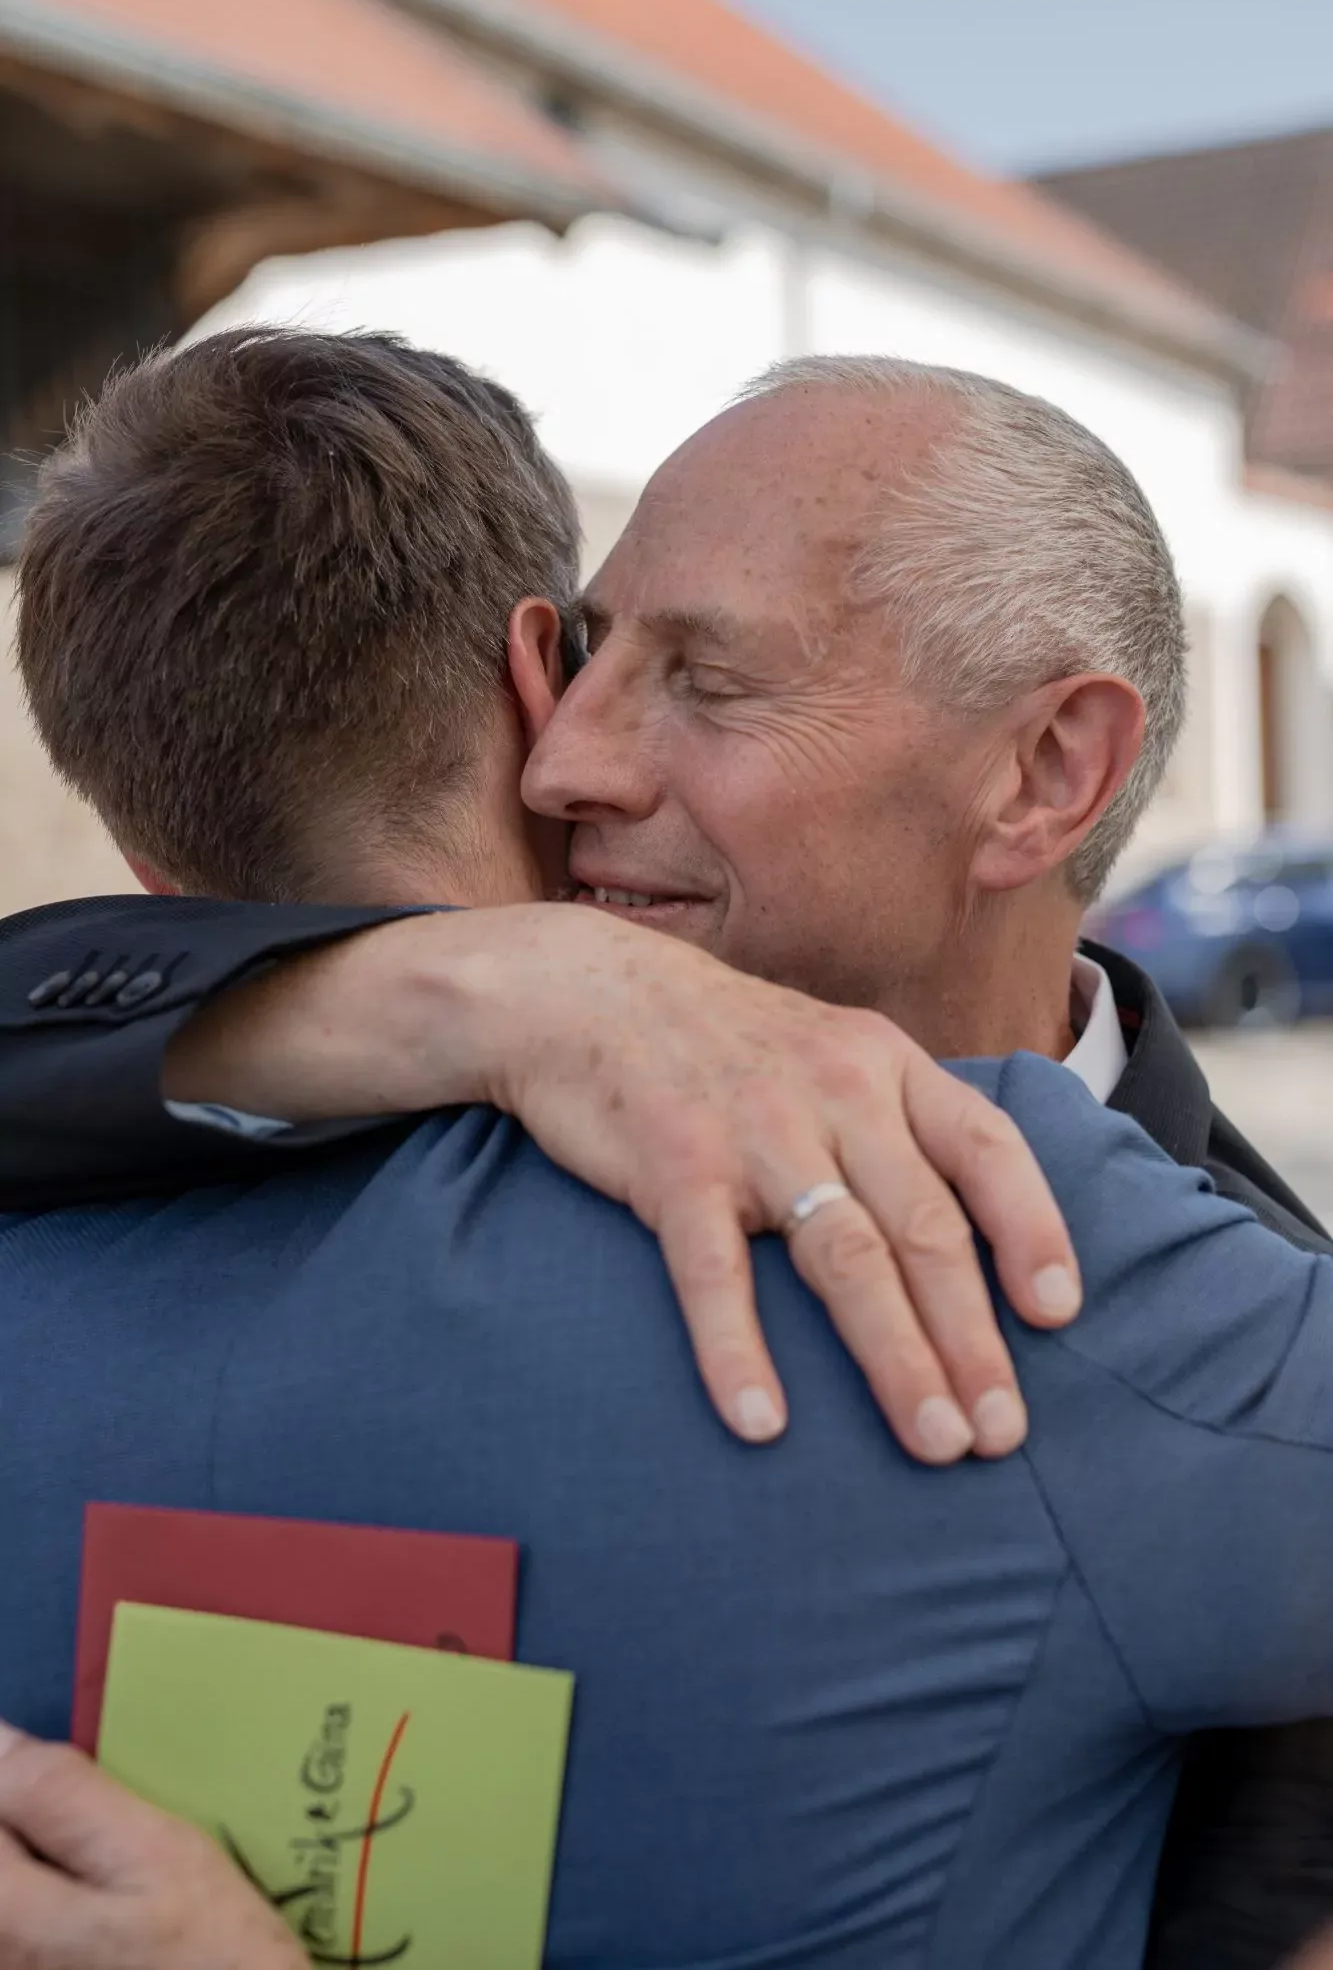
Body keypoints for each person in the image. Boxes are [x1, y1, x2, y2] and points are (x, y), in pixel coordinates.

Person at [7, 330, 1333, 1970]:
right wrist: (441, 982)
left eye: (706, 681)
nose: (563, 759)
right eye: (588, 654)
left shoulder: (1204, 1327)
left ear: (1043, 772)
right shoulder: (285, 1103)